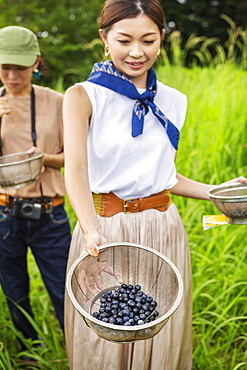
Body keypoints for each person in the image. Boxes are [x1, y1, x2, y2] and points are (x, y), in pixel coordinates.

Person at [62, 1, 246, 369]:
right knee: (109, 332)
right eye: (124, 40)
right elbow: (76, 171)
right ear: (104, 39)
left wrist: (216, 192)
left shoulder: (175, 100)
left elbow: (164, 176)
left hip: (164, 228)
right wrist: (90, 229)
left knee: (160, 326)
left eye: (148, 40)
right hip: (105, 229)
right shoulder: (83, 96)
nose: (136, 52)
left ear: (161, 38)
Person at [0, 25, 71, 356]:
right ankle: (30, 352)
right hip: (4, 215)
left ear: (36, 63)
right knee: (15, 292)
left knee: (66, 290)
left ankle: (80, 351)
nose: (12, 75)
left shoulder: (59, 102)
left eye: (21, 67)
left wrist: (46, 158)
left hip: (50, 216)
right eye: (5, 67)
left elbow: (77, 159)